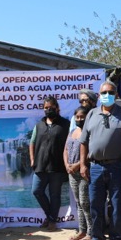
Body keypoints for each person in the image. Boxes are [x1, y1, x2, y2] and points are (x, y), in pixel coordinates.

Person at [79, 80, 121, 240]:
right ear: (99, 95)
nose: (107, 96)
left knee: (116, 205)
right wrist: (82, 164)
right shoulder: (92, 114)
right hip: (95, 166)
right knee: (95, 204)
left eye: (110, 92)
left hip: (117, 166)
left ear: (116, 95)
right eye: (103, 93)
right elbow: (83, 141)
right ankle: (98, 239)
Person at [29, 96, 71, 231]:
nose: (48, 110)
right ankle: (50, 216)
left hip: (58, 167)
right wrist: (32, 159)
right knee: (36, 191)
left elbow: (71, 143)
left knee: (55, 195)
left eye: (51, 107)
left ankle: (52, 221)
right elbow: (32, 143)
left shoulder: (66, 124)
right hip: (40, 166)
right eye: (46, 108)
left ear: (57, 108)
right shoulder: (38, 125)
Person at [64, 106, 92, 240]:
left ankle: (91, 232)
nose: (80, 119)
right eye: (78, 117)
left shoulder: (89, 132)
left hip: (83, 172)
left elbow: (90, 152)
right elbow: (65, 149)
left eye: (82, 117)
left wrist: (77, 165)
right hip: (71, 172)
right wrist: (67, 165)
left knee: (85, 202)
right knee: (78, 203)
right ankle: (82, 230)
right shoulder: (72, 131)